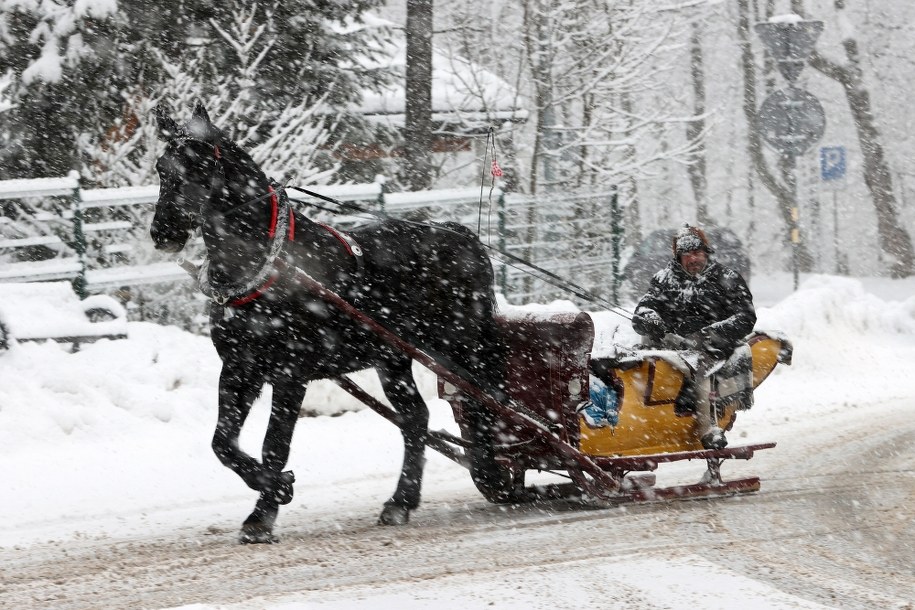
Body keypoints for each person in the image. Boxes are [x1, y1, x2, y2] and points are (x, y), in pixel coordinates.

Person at [630, 224, 756, 450]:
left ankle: (709, 429)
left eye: (697, 253)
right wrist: (650, 319)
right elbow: (643, 310)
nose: (693, 259)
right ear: (678, 257)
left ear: (706, 252)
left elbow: (746, 317)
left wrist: (708, 335)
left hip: (715, 349)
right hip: (672, 348)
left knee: (701, 369)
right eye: (687, 254)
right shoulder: (663, 280)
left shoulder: (727, 278)